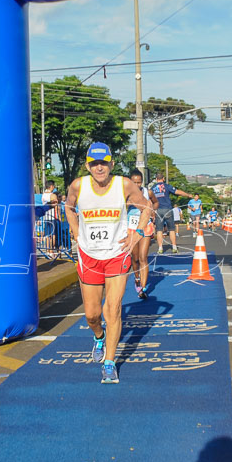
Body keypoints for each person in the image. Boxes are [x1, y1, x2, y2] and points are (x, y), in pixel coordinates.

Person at [64, 142, 154, 384]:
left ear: (112, 163)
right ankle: (99, 336)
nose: (99, 167)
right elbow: (69, 207)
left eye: (104, 162)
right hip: (89, 256)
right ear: (88, 166)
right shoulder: (78, 185)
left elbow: (146, 208)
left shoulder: (124, 184)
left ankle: (109, 363)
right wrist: (74, 228)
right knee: (93, 315)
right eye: (94, 163)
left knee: (112, 309)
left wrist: (136, 233)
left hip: (117, 254)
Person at [149, 172, 194, 254]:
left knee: (159, 230)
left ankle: (160, 248)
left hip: (158, 210)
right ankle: (174, 247)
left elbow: (149, 200)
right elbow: (177, 192)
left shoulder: (152, 188)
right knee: (172, 229)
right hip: (168, 209)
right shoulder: (166, 186)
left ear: (156, 179)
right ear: (163, 179)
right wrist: (187, 195)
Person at [126, 169, 154, 299]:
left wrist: (152, 212)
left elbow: (155, 202)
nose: (137, 185)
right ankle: (137, 277)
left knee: (143, 257)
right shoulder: (126, 194)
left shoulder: (148, 192)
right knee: (135, 258)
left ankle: (142, 288)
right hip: (132, 226)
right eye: (134, 182)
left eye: (139, 182)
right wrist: (129, 203)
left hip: (146, 226)